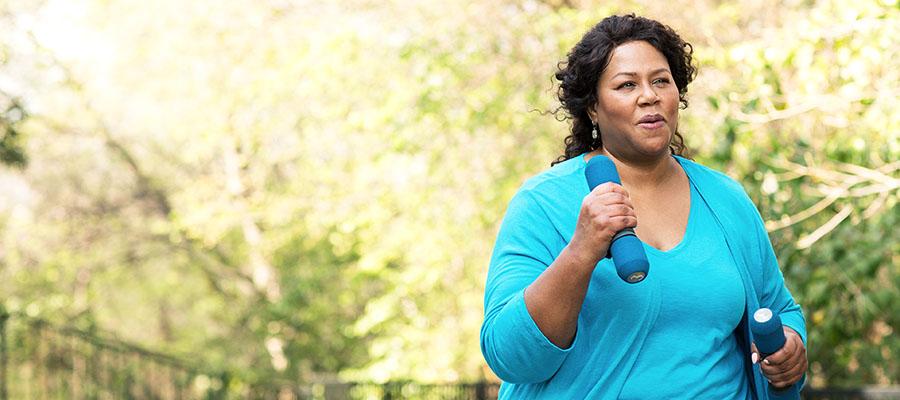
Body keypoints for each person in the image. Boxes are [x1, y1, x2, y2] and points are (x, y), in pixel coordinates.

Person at [480, 14, 807, 399]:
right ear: (592, 109)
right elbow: (510, 355)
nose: (649, 95)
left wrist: (789, 347)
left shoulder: (725, 198)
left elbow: (779, 309)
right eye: (626, 85)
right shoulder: (543, 203)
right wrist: (581, 252)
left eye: (661, 81)